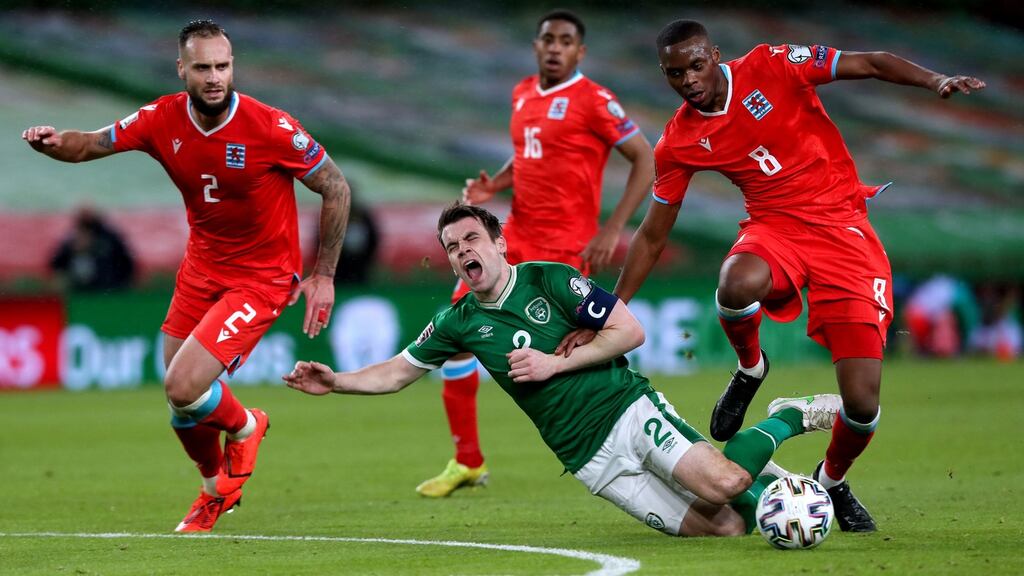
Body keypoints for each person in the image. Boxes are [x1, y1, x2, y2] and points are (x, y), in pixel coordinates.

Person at [574, 19, 986, 532]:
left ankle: (832, 482)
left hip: (845, 233)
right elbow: (653, 235)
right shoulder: (677, 141)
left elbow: (871, 62)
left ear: (715, 55)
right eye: (674, 73)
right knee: (735, 282)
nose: (688, 81)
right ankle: (750, 368)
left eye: (696, 66)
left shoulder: (772, 64)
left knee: (860, 403)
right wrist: (613, 307)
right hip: (775, 228)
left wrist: (934, 81)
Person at [285, 203, 842, 537]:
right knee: (727, 526)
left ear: (499, 243)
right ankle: (775, 487)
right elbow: (397, 372)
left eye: (472, 239)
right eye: (452, 247)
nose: (462, 252)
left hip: (625, 411)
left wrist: (555, 362)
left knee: (725, 484)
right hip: (588, 460)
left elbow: (630, 332)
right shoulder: (456, 320)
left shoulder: (548, 280)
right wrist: (336, 382)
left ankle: (786, 417)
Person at [22, 20, 351, 532]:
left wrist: (324, 274)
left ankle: (247, 425)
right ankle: (213, 488)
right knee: (181, 404)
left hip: (261, 277)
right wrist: (51, 142)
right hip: (201, 268)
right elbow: (90, 143)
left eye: (223, 66)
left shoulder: (270, 127)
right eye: (203, 67)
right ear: (182, 69)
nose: (215, 77)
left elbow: (336, 186)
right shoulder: (161, 118)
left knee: (184, 384)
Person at [420, 9, 656, 498]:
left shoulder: (594, 100)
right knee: (458, 330)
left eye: (565, 41)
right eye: (548, 39)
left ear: (579, 52)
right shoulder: (524, 92)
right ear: (536, 45)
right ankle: (467, 459)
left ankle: (646, 430)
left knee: (575, 350)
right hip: (513, 237)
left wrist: (614, 226)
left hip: (564, 248)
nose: (554, 47)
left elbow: (645, 158)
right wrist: (497, 184)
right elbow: (528, 153)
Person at [49, 206, 136, 292]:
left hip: (108, 286)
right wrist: (74, 251)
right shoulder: (72, 240)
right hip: (79, 284)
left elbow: (127, 263)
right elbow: (55, 263)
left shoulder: (110, 239)